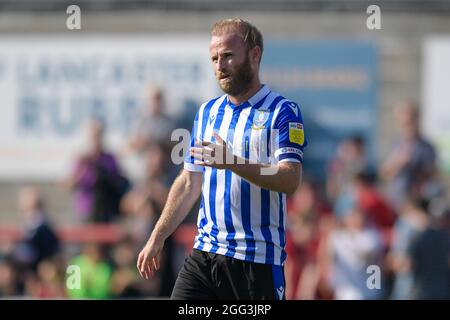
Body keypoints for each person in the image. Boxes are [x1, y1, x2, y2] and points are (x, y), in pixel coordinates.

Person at [137, 18, 308, 300]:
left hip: (256, 261)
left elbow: (290, 179)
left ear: (254, 55)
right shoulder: (207, 112)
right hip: (205, 255)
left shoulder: (282, 111)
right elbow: (189, 183)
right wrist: (158, 236)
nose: (220, 65)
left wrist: (231, 162)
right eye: (214, 58)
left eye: (228, 56)